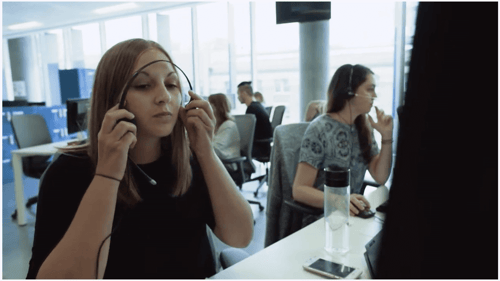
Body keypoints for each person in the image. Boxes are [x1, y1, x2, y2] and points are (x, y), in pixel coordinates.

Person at [27, 38, 254, 279]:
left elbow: (240, 236)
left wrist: (206, 152)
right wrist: (107, 175)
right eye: (144, 85)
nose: (164, 96)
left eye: (171, 84)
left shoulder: (189, 161)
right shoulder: (69, 171)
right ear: (113, 98)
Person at [293, 64, 393, 217]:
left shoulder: (364, 127)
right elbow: (299, 190)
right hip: (323, 217)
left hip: (352, 214)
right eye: (370, 89)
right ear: (350, 91)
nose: (375, 96)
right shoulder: (319, 129)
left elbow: (380, 177)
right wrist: (340, 200)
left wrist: (387, 137)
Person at [237, 81, 273, 158]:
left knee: (232, 151)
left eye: (238, 94)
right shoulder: (257, 106)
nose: (238, 97)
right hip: (265, 147)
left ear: (244, 93)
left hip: (259, 149)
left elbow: (247, 135)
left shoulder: (251, 110)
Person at [208, 93, 241, 172]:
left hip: (227, 164)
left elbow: (216, 150)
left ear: (216, 107)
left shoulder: (228, 125)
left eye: (208, 105)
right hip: (217, 162)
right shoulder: (215, 125)